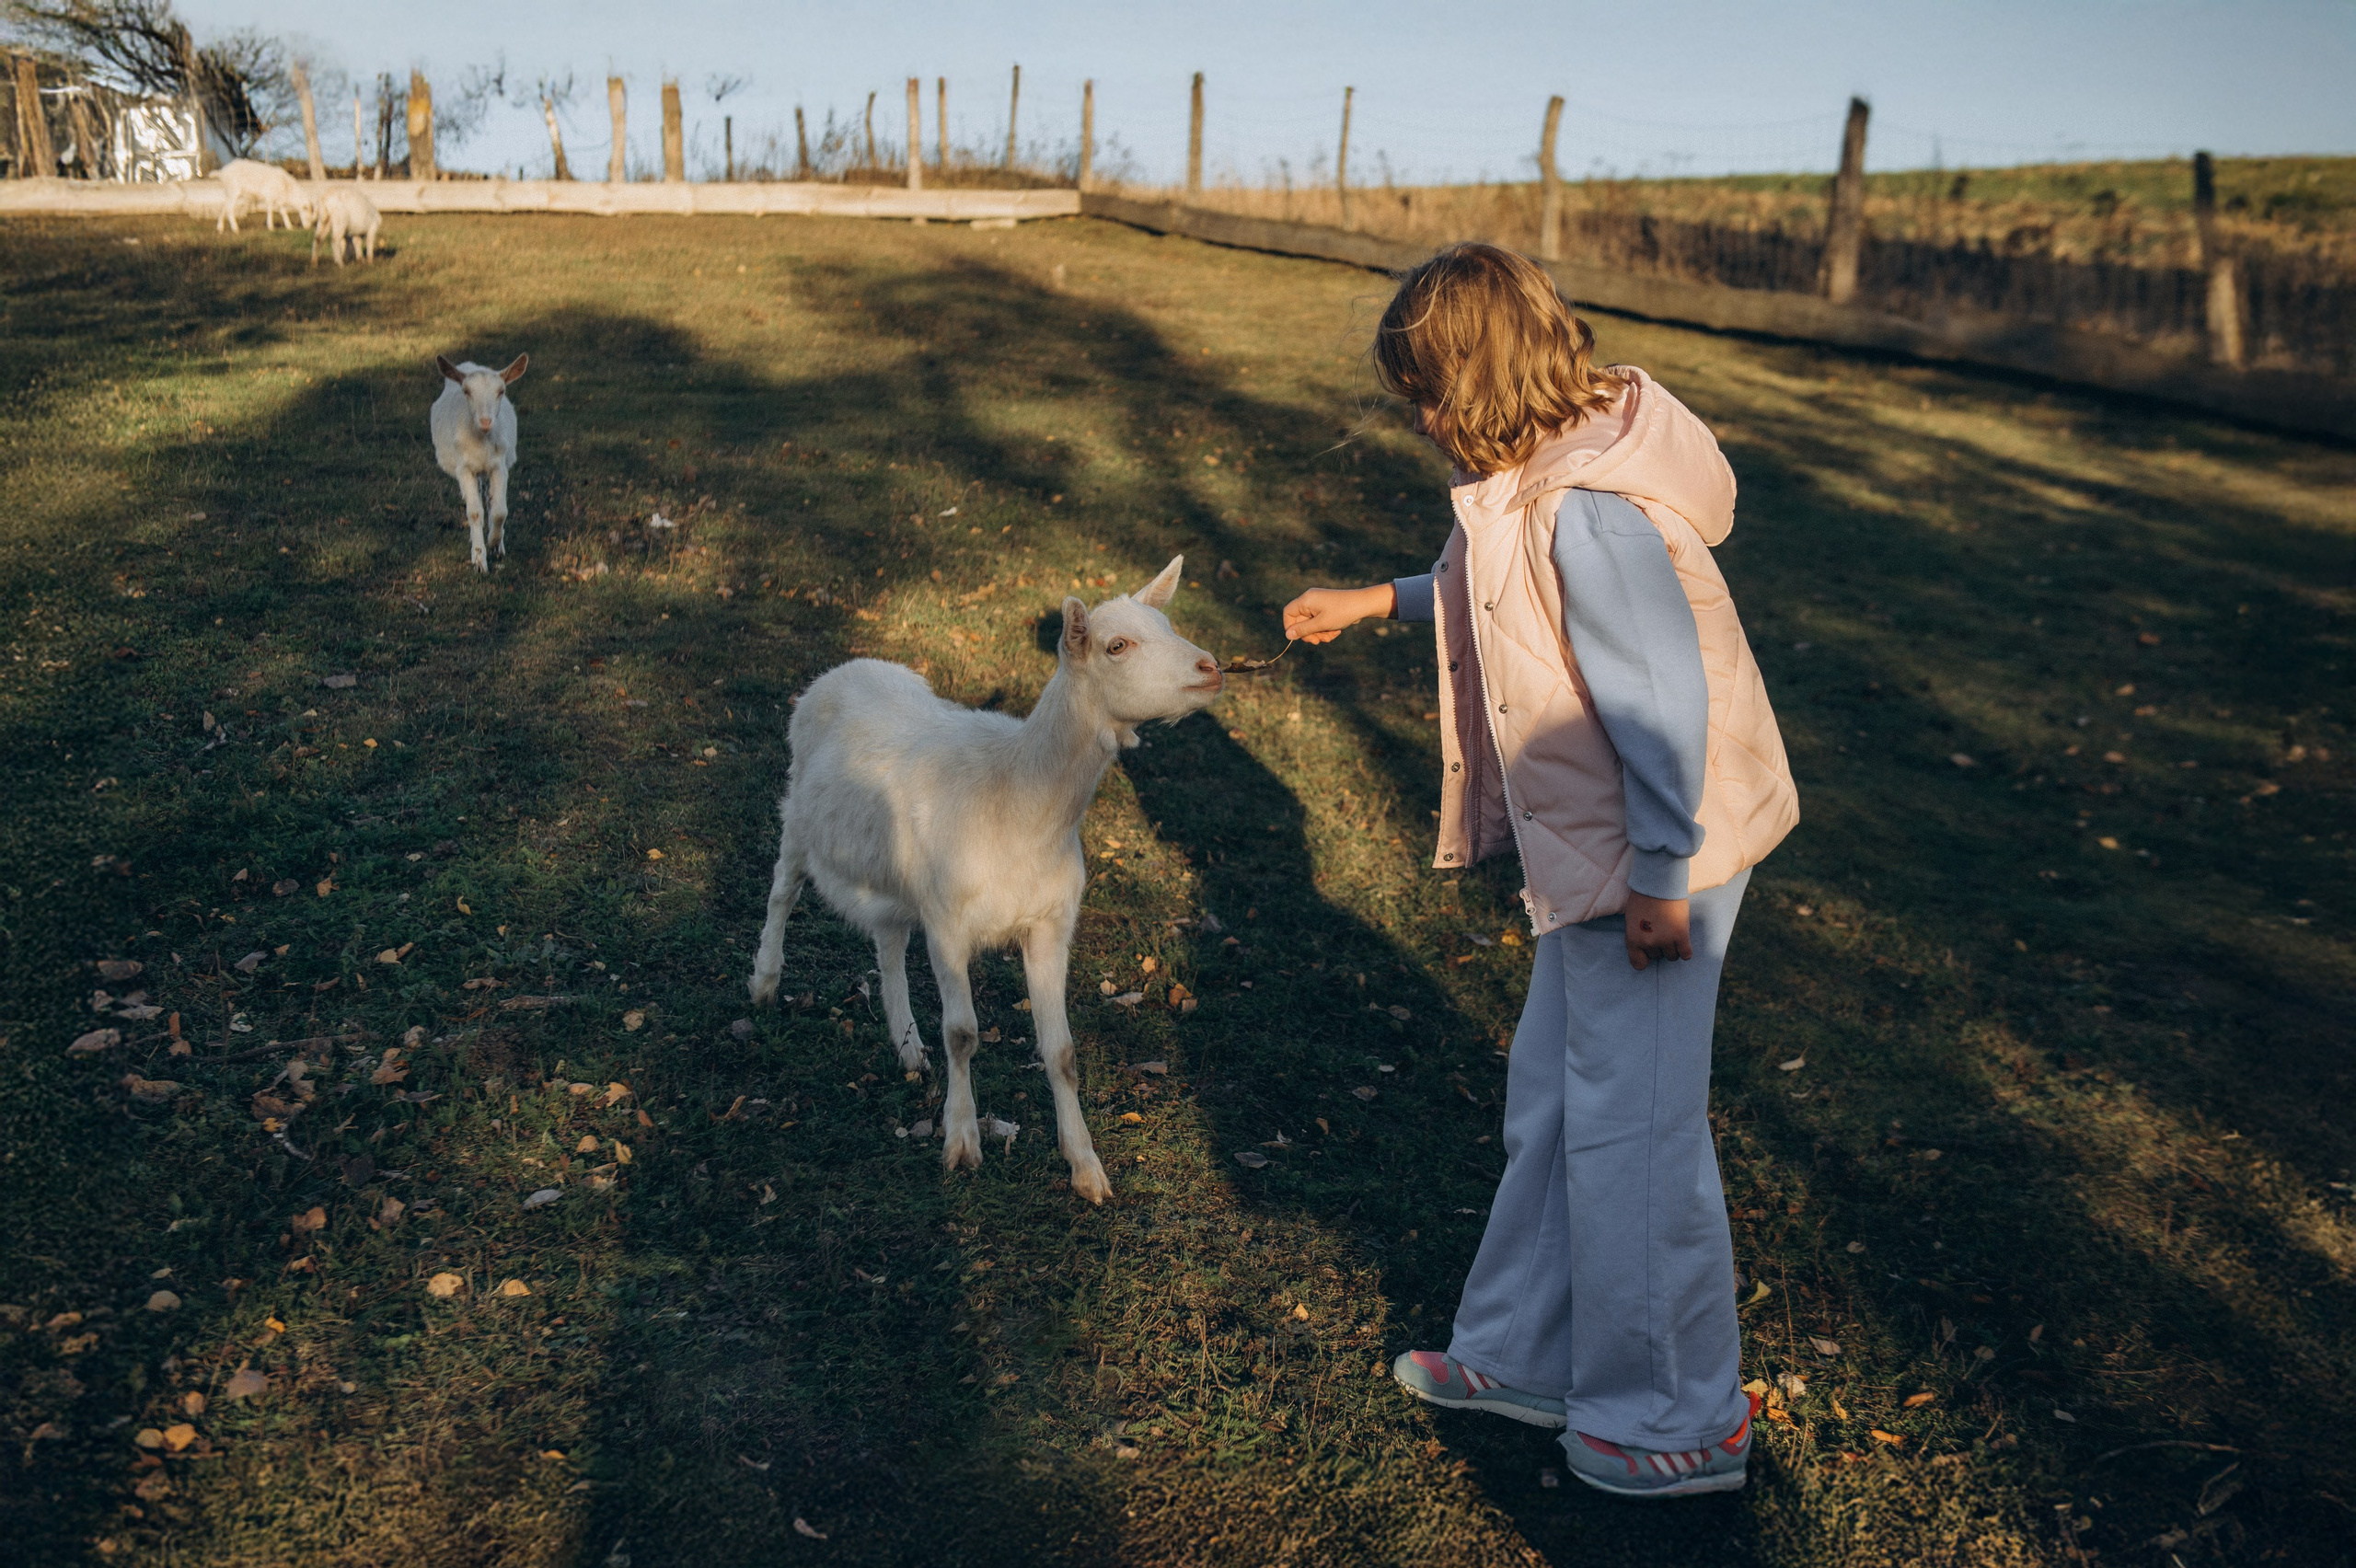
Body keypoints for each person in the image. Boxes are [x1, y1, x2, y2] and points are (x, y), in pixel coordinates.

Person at [1281, 243, 1799, 1498]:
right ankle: (1526, 1353)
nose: (1420, 422)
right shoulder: (1529, 482)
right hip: (1605, 855)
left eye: (1428, 395)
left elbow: (1665, 704)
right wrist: (1380, 600)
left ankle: (1674, 1416)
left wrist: (1666, 878)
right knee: (1560, 1101)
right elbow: (1493, 589)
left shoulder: (1594, 509)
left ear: (1479, 381)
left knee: (1640, 1131)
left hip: (1656, 862)